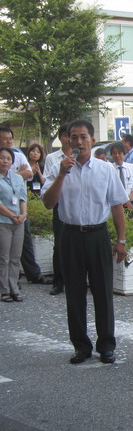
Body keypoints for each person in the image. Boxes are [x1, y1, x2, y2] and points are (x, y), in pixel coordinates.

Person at [42, 119, 129, 364]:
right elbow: (49, 203)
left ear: (92, 140)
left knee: (103, 291)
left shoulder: (105, 169)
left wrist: (121, 239)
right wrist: (61, 174)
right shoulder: (58, 168)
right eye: (74, 137)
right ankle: (81, 345)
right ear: (67, 140)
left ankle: (106, 345)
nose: (79, 141)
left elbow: (116, 205)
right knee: (75, 293)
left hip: (98, 235)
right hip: (69, 235)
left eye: (83, 137)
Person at [0, 126, 49, 286]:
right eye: (5, 138)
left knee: (24, 242)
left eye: (10, 138)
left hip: (18, 206)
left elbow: (29, 173)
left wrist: (9, 176)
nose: (8, 141)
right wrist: (16, 176)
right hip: (2, 209)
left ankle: (32, 274)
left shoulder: (18, 155)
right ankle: (7, 281)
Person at [43, 123, 72, 296]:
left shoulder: (80, 156)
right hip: (60, 204)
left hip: (76, 204)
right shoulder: (52, 159)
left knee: (76, 245)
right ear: (60, 137)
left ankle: (75, 280)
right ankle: (58, 281)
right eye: (67, 135)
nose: (69, 139)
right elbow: (47, 183)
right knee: (59, 244)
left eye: (72, 136)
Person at [0, 148, 27, 302]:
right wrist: (12, 215)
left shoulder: (17, 178)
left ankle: (14, 288)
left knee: (15, 258)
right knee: (4, 258)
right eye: (2, 158)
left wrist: (23, 215)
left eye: (8, 158)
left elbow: (23, 198)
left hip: (19, 222)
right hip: (3, 222)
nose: (5, 161)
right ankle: (4, 290)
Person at [110, 142, 133, 214]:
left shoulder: (132, 168)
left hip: (130, 204)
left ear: (124, 154)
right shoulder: (109, 168)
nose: (117, 156)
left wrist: (127, 201)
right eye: (114, 153)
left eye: (119, 153)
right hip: (115, 205)